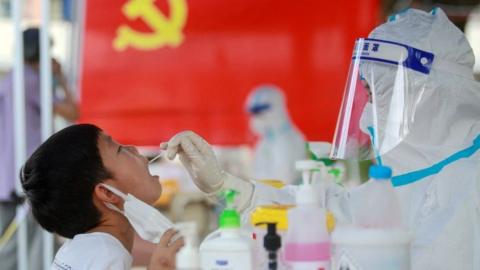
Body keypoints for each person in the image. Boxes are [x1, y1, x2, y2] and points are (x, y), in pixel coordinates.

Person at [161, 8, 480, 269]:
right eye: (367, 94)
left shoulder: (470, 186)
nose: (367, 115)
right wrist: (228, 187)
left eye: (379, 96)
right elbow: (325, 213)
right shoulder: (399, 185)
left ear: (430, 99)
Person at [20, 124, 184, 269]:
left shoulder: (83, 250)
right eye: (120, 149)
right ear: (108, 193)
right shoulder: (107, 255)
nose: (133, 148)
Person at [0, 27, 79, 270]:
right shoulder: (33, 81)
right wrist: (60, 77)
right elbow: (72, 112)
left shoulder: (11, 78)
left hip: (6, 173)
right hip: (30, 170)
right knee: (34, 243)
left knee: (11, 239)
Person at [245, 85, 306, 184]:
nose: (256, 120)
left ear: (276, 110)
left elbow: (283, 180)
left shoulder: (288, 140)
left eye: (260, 115)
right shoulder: (267, 140)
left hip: (284, 198)